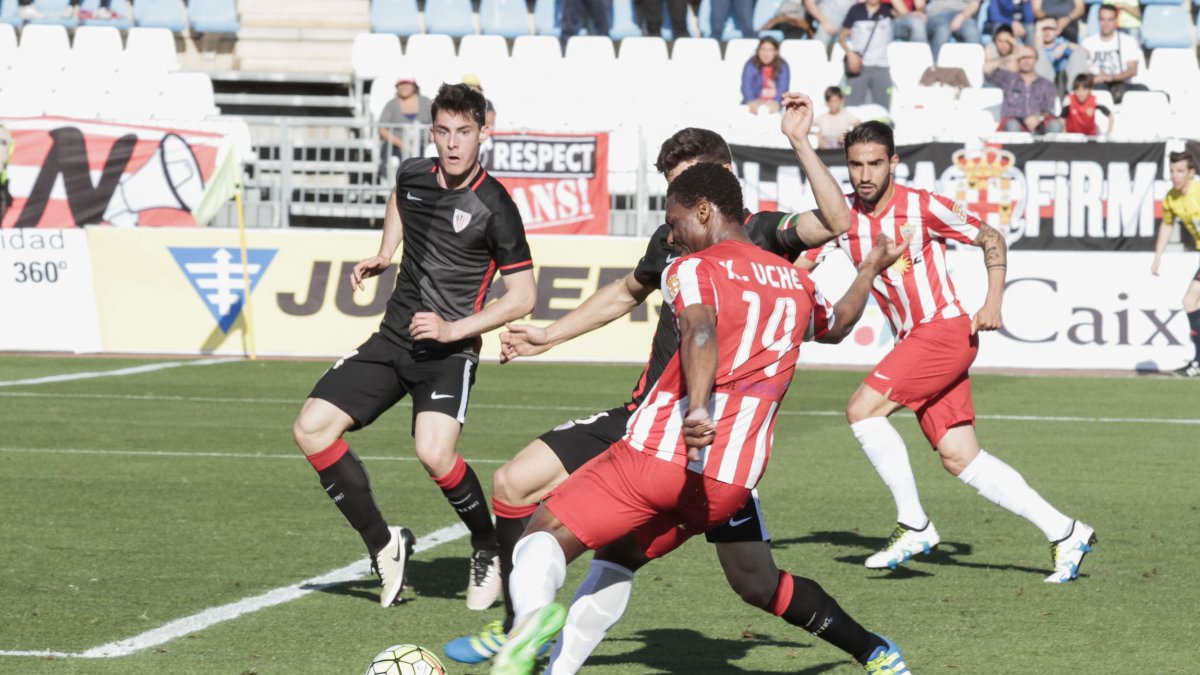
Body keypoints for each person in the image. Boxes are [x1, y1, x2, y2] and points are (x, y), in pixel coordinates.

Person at [444, 95, 876, 670]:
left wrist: (799, 140)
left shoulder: (762, 236)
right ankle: (524, 629)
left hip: (674, 434)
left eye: (679, 199)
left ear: (710, 194)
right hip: (704, 448)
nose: (669, 228)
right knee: (523, 488)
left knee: (751, 582)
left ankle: (528, 620)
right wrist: (550, 335)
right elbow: (626, 292)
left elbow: (829, 228)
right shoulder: (687, 247)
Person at [798, 121, 1096, 584]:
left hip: (943, 332)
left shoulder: (922, 206)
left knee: (862, 409)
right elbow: (799, 262)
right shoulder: (841, 219)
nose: (864, 174)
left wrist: (993, 300)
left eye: (875, 163)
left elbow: (991, 237)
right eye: (855, 165)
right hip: (916, 341)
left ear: (893, 163)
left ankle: (914, 522)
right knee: (961, 457)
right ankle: (1066, 531)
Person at [291, 83, 536, 611]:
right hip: (392, 338)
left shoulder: (496, 206)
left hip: (448, 354)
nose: (453, 144)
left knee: (432, 451)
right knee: (310, 428)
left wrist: (454, 329)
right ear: (432, 132)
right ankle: (384, 545)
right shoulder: (413, 175)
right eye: (444, 132)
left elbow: (523, 296)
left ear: (482, 133)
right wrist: (384, 253)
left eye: (464, 133)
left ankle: (487, 544)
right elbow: (401, 199)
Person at [1151, 151, 1200, 377]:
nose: (1175, 176)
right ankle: (1197, 362)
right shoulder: (1171, 197)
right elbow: (1167, 226)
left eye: (1180, 171)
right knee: (1191, 302)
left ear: (1191, 173)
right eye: (1172, 171)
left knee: (1190, 300)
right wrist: (1158, 257)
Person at [984, 45, 1063, 134]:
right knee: (1012, 125)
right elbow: (986, 70)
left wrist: (1038, 118)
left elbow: (1048, 108)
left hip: (1039, 125)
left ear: (1036, 60)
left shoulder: (1046, 84)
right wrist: (1010, 57)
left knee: (1055, 125)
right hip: (1014, 124)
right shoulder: (1008, 78)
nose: (1026, 60)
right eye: (1023, 57)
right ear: (1018, 60)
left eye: (1029, 57)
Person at [1081, 4, 1148, 104]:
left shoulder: (1128, 41)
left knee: (1143, 90)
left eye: (1110, 19)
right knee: (1100, 89)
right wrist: (1094, 78)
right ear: (1098, 20)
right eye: (1102, 19)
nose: (1106, 23)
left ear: (1116, 21)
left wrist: (1111, 77)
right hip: (1097, 85)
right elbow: (1082, 71)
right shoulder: (1087, 43)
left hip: (1121, 85)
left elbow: (1132, 70)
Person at [839, 0, 894, 108]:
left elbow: (904, 13)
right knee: (853, 107)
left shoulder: (888, 9)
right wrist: (850, 54)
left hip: (881, 66)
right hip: (859, 66)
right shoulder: (855, 9)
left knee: (882, 110)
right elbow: (841, 37)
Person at [377, 75, 433, 177]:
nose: (404, 87)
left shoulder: (427, 103)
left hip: (423, 145)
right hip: (395, 146)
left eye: (407, 84)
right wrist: (402, 144)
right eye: (401, 84)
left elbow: (438, 121)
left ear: (414, 86)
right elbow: (382, 129)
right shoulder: (391, 104)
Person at [1033, 17, 1087, 95]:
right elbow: (1037, 53)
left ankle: (1074, 93)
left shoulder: (1062, 43)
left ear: (1057, 31)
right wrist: (1038, 29)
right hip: (1045, 81)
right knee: (1039, 58)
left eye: (1050, 29)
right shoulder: (1036, 46)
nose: (1047, 32)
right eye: (1044, 29)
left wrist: (1066, 45)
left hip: (1065, 80)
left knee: (1078, 53)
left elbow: (1086, 53)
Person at [741, 37, 790, 114]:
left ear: (776, 52)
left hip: (776, 102)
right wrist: (751, 101)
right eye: (763, 49)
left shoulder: (782, 65)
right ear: (758, 51)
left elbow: (783, 87)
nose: (765, 53)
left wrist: (776, 102)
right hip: (755, 101)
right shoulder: (751, 64)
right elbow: (746, 85)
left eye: (770, 50)